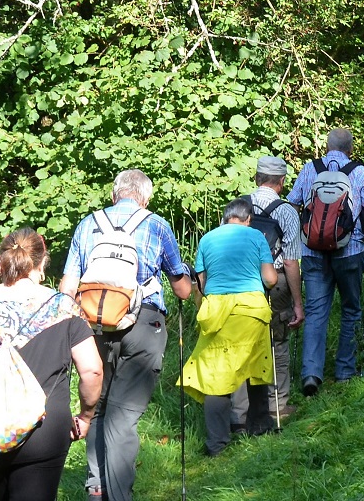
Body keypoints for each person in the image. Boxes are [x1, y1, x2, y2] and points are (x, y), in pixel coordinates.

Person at [0, 228, 103, 501]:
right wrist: (85, 416)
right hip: (44, 432)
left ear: (0, 263)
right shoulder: (63, 307)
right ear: (42, 263)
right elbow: (92, 369)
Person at [60, 169, 192, 501]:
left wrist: (65, 329)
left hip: (94, 326)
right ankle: (120, 497)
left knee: (97, 406)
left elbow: (69, 283)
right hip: (143, 325)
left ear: (114, 194)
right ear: (145, 197)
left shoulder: (88, 224)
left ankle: (96, 487)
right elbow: (182, 290)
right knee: (123, 415)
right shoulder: (157, 224)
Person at [288, 128, 364, 397]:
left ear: (326, 146)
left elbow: (293, 205)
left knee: (316, 312)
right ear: (350, 148)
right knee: (351, 309)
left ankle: (311, 374)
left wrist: (307, 232)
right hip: (349, 251)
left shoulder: (310, 169)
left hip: (313, 253)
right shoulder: (359, 172)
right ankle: (344, 371)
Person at [180, 199, 276, 457]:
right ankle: (259, 427)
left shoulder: (207, 239)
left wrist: (201, 308)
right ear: (248, 219)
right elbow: (270, 278)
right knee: (255, 369)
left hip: (217, 311)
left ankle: (217, 444)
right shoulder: (256, 236)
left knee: (215, 378)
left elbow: (200, 283)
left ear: (225, 218)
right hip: (251, 311)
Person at [235, 156, 304, 427]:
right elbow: (290, 261)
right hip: (274, 285)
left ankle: (242, 409)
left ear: (256, 177)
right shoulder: (286, 211)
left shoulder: (239, 207)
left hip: (241, 284)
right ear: (282, 182)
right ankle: (277, 405)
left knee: (243, 342)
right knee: (277, 341)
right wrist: (298, 303)